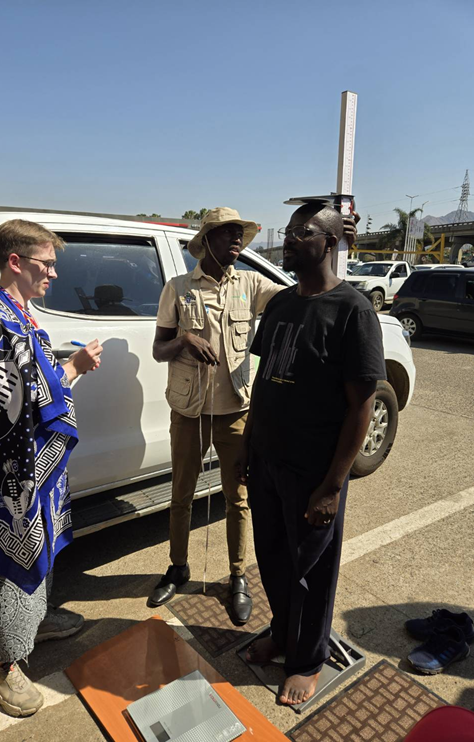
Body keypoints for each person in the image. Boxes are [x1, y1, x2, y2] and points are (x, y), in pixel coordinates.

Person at [0, 219, 102, 717]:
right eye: (46, 264)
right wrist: (72, 371)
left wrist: (67, 369)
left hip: (28, 468)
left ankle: (31, 623)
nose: (53, 273)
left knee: (36, 556)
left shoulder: (22, 314)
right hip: (3, 477)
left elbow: (30, 387)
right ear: (15, 262)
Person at [237, 202, 385, 706]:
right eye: (291, 231)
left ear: (328, 242)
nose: (292, 238)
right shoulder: (280, 304)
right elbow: (264, 382)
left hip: (313, 472)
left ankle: (307, 659)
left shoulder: (353, 311)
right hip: (267, 461)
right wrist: (247, 444)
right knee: (273, 556)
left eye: (304, 232)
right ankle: (283, 634)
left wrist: (333, 485)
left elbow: (362, 407)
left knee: (310, 570)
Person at [147, 207, 286, 624]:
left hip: (236, 413)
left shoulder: (252, 283)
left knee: (238, 498)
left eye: (240, 234)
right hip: (189, 411)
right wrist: (185, 339)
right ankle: (178, 567)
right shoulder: (178, 288)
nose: (237, 241)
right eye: (228, 234)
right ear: (206, 240)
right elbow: (158, 350)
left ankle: (238, 577)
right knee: (181, 495)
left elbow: (297, 298)